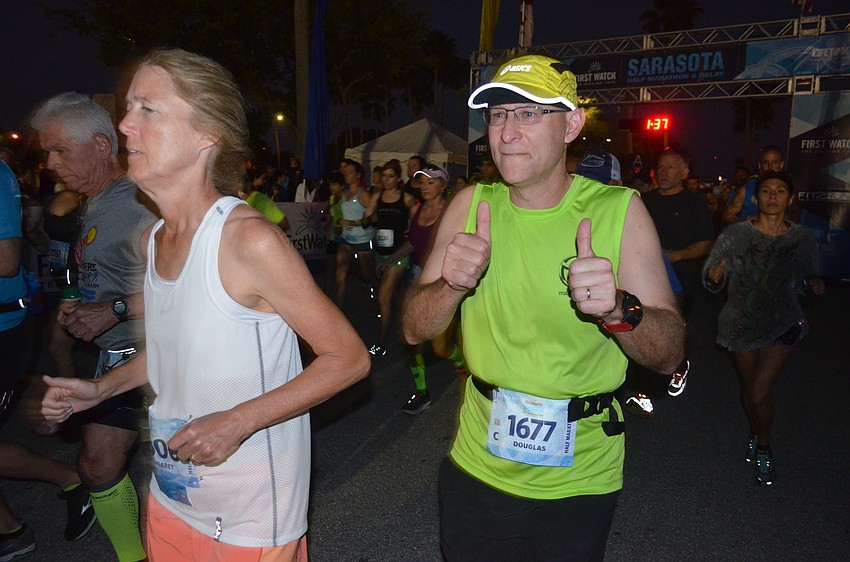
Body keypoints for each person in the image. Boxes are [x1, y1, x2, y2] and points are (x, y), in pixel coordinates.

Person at [42, 48, 370, 561]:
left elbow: (348, 358)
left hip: (250, 517)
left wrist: (238, 420)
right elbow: (176, 351)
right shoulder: (156, 240)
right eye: (128, 108)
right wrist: (99, 389)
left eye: (148, 109)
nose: (126, 124)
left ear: (207, 134)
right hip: (173, 498)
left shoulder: (248, 240)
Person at [402, 54, 685, 561]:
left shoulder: (619, 210)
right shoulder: (470, 205)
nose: (508, 132)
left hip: (581, 479)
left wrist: (618, 308)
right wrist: (450, 285)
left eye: (529, 114)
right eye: (497, 115)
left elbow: (667, 354)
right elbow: (414, 329)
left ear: (571, 124)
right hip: (477, 468)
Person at [31, 91, 157, 562]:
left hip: (156, 356)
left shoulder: (140, 204)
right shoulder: (95, 201)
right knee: (98, 465)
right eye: (47, 151)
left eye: (59, 149)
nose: (49, 162)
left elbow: (195, 287)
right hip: (116, 354)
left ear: (102, 145)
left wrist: (117, 310)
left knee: (117, 465)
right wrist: (83, 305)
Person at [0, 158, 96, 561]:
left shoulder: (86, 201)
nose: (54, 164)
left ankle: (71, 413)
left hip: (78, 292)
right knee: (58, 349)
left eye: (62, 154)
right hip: (62, 287)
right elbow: (41, 243)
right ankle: (10, 530)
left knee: (60, 349)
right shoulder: (58, 199)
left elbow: (7, 260)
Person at [703, 171, 824, 487]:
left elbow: (809, 277)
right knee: (748, 391)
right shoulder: (735, 236)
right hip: (741, 323)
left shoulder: (801, 238)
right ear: (756, 199)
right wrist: (715, 276)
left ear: (790, 198)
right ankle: (755, 431)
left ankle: (765, 446)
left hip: (783, 323)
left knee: (759, 392)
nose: (772, 196)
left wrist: (814, 286)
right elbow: (711, 278)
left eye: (780, 191)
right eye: (766, 191)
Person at [630, 149, 713, 416]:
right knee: (643, 327)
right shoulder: (642, 200)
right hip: (643, 276)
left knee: (676, 327)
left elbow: (705, 244)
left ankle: (678, 365)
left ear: (685, 173)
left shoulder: (695, 203)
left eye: (671, 168)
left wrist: (676, 255)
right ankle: (644, 392)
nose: (663, 172)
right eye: (660, 167)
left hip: (682, 279)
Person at [399, 163, 466, 415]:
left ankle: (461, 361)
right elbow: (412, 243)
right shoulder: (415, 211)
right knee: (411, 338)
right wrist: (390, 260)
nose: (425, 187)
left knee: (439, 348)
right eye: (422, 182)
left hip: (441, 281)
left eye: (431, 181)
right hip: (416, 278)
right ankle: (421, 392)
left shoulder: (452, 211)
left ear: (443, 185)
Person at [367, 160, 416, 358]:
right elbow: (369, 219)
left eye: (390, 176)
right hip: (380, 251)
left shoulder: (406, 199)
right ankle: (406, 318)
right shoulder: (377, 196)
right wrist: (370, 217)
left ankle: (382, 341)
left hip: (399, 254)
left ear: (398, 178)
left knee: (383, 297)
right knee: (391, 297)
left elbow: (416, 224)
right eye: (384, 176)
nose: (386, 180)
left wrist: (410, 230)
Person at [334, 158, 376, 309]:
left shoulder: (363, 194)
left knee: (367, 274)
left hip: (363, 239)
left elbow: (374, 216)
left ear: (358, 175)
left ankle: (377, 298)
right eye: (345, 172)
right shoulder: (344, 194)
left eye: (350, 172)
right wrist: (339, 221)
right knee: (340, 273)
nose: (347, 175)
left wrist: (354, 223)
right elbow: (337, 213)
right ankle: (338, 309)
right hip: (346, 239)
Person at [723, 146, 784, 226]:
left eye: (774, 162)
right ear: (759, 165)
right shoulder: (746, 189)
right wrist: (744, 222)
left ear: (781, 164)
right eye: (766, 162)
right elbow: (728, 215)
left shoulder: (788, 190)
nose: (770, 166)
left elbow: (794, 216)